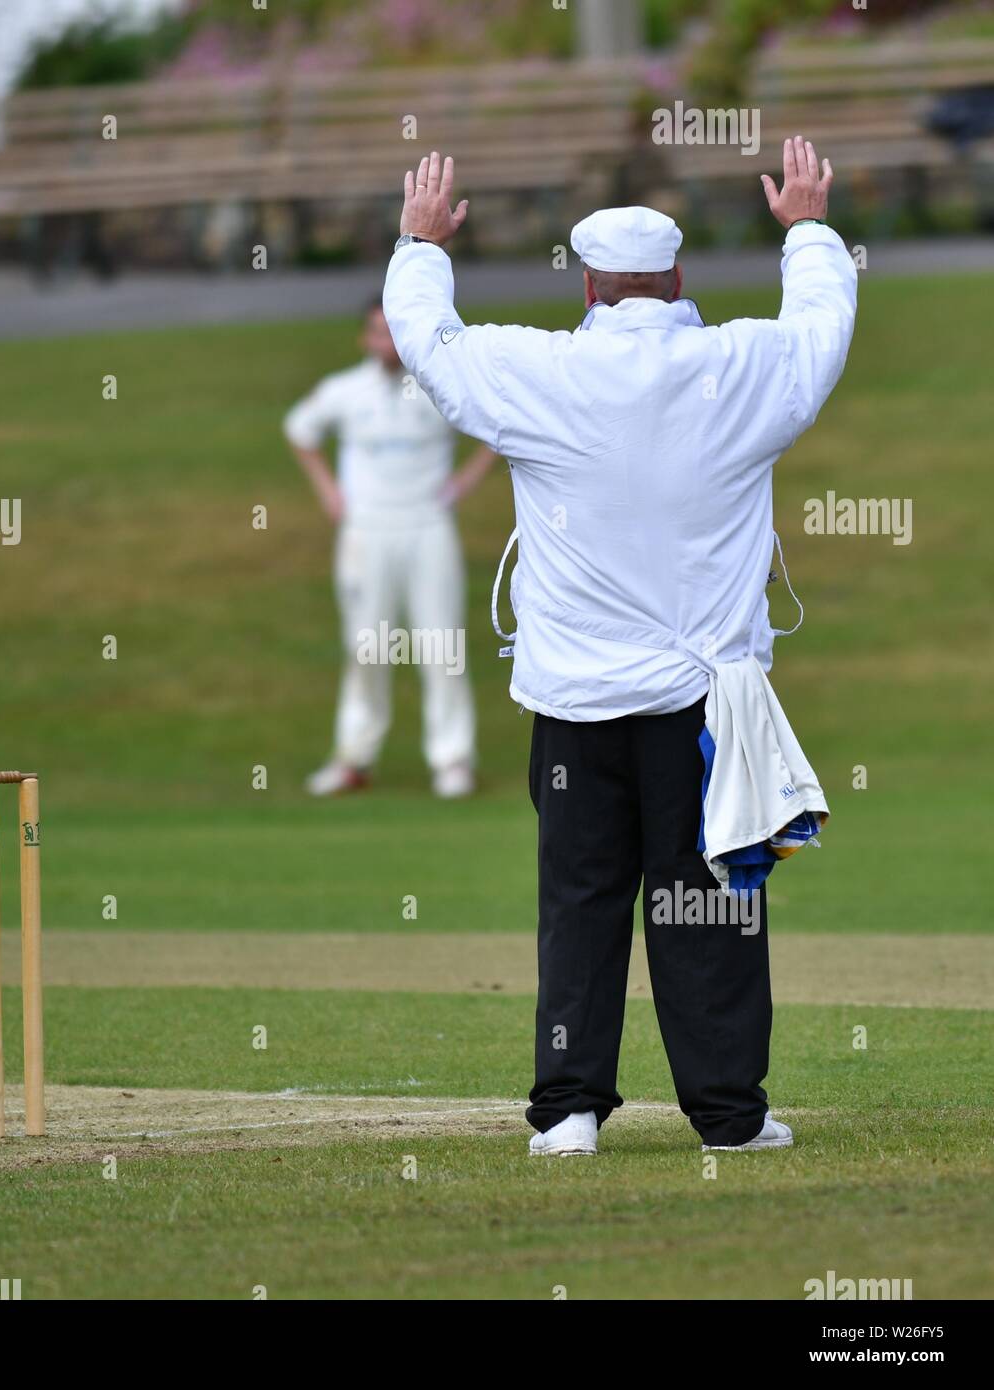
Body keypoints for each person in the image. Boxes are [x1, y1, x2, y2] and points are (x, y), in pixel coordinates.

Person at [383, 140, 857, 1153]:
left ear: (590, 283)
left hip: (575, 702)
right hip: (701, 703)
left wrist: (421, 245)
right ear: (676, 279)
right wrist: (808, 228)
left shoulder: (540, 371)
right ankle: (728, 1115)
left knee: (580, 902)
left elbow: (429, 343)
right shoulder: (739, 366)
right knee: (706, 905)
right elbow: (819, 330)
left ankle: (567, 1113)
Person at [284, 298, 496, 798]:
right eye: (376, 333)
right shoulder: (344, 390)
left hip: (428, 525)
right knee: (366, 647)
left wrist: (461, 485)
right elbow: (299, 430)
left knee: (441, 644)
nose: (386, 344)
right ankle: (354, 758)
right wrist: (329, 492)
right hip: (366, 531)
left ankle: (453, 759)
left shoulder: (438, 385)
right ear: (365, 339)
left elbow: (495, 428)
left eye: (392, 333)